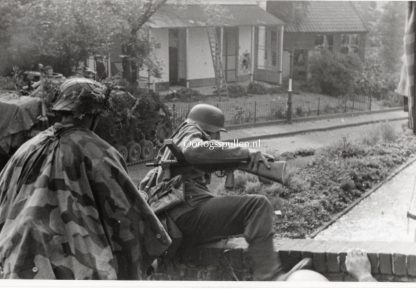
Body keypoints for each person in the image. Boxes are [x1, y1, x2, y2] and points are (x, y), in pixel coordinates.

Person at [0, 77, 171, 279]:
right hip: (72, 269)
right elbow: (126, 217)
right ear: (94, 115)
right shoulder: (98, 152)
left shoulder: (25, 149)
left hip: (13, 260)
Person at [140, 103, 308, 281]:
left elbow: (200, 155)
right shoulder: (191, 130)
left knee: (237, 213)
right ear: (208, 128)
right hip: (187, 211)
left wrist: (236, 161)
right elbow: (194, 150)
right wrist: (246, 152)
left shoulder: (182, 133)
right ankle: (269, 276)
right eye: (218, 132)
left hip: (176, 216)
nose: (218, 137)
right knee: (257, 206)